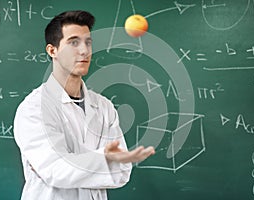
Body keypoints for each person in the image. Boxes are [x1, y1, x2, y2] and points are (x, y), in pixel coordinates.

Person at [14, 10, 155, 200]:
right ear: (52, 50)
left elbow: (122, 173)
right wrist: (104, 160)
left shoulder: (104, 107)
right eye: (73, 42)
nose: (84, 51)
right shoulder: (34, 108)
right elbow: (55, 170)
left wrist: (84, 164)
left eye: (88, 42)